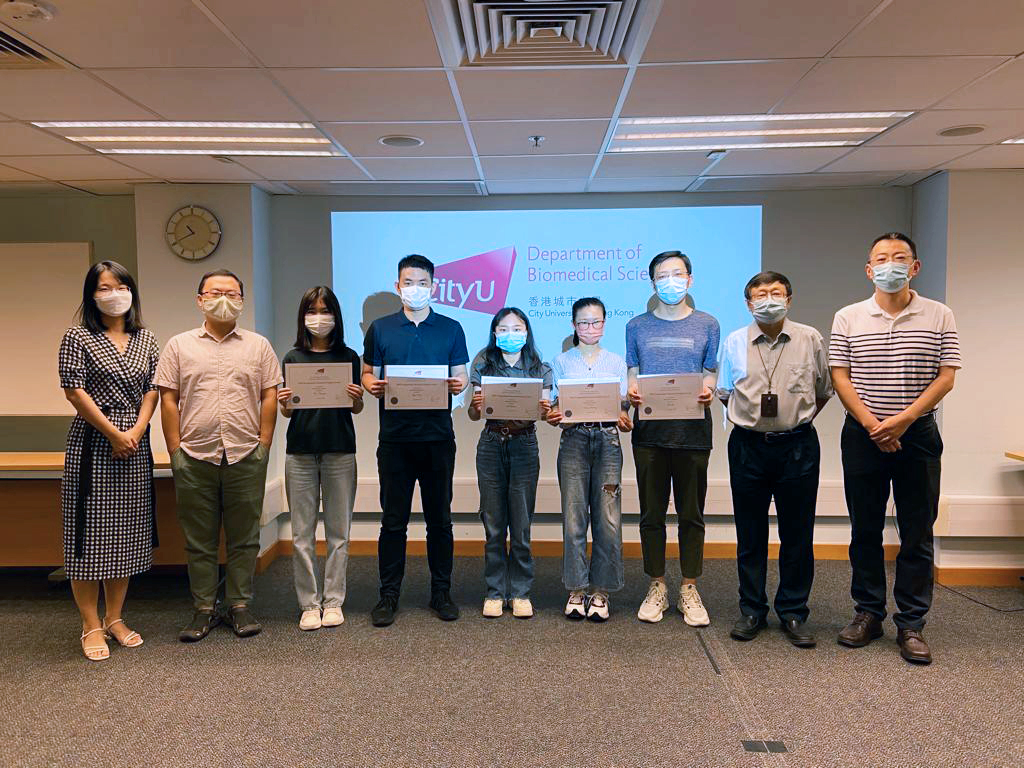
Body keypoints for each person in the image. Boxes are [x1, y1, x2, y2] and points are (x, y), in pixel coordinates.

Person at [830, 233, 959, 665]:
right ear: (868, 270)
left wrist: (902, 420)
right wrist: (872, 424)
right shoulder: (848, 316)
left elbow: (946, 376)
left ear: (915, 267)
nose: (890, 265)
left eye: (899, 258)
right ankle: (868, 613)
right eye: (881, 259)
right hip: (863, 435)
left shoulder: (940, 315)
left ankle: (911, 623)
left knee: (917, 531)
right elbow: (840, 375)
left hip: (918, 434)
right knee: (864, 529)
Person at [155, 269, 282, 642]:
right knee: (199, 538)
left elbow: (269, 396)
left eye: (232, 293)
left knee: (245, 537)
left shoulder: (258, 346)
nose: (224, 298)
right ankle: (203, 609)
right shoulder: (179, 346)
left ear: (242, 301)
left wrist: (264, 446)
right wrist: (175, 450)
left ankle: (239, 605)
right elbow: (168, 399)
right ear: (200, 300)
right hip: (194, 456)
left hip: (245, 454)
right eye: (215, 292)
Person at [717, 271, 832, 648]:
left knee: (797, 534)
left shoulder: (809, 338)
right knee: (750, 534)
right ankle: (752, 609)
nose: (769, 300)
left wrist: (791, 424)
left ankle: (794, 611)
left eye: (776, 293)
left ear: (789, 299)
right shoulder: (734, 341)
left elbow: (823, 391)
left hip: (797, 446)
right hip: (748, 446)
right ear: (749, 303)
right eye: (760, 295)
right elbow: (723, 392)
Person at [59, 261, 160, 661]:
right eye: (104, 287)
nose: (113, 292)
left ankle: (115, 617)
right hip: (93, 442)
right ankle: (90, 624)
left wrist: (135, 432)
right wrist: (114, 434)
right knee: (89, 536)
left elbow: (154, 388)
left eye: (120, 285)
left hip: (136, 442)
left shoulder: (146, 338)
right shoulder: (78, 336)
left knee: (125, 534)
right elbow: (74, 391)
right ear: (91, 294)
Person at [362, 254, 469, 627]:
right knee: (393, 521)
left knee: (440, 521)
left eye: (423, 282)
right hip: (395, 440)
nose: (415, 289)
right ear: (398, 286)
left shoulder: (452, 328)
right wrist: (369, 384)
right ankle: (388, 595)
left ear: (434, 286)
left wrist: (460, 384)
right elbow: (367, 374)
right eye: (409, 282)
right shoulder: (380, 328)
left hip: (438, 438)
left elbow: (461, 376)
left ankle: (442, 591)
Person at [626, 251, 719, 625]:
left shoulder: (708, 324)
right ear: (652, 283)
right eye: (662, 276)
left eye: (676, 274)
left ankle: (689, 588)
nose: (670, 281)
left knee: (691, 514)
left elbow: (709, 373)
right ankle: (657, 585)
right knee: (651, 514)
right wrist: (632, 391)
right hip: (649, 434)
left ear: (690, 279)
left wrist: (709, 390)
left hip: (693, 433)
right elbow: (634, 373)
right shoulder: (636, 326)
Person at [277, 286, 364, 631]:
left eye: (325, 310)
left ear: (336, 316)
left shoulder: (349, 357)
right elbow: (288, 411)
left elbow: (355, 407)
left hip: (340, 449)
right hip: (299, 451)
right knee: (301, 535)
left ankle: (333, 602)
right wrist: (285, 402)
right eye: (311, 311)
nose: (318, 318)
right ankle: (308, 604)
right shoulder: (293, 358)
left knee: (339, 532)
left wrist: (356, 398)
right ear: (303, 317)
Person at [546, 297, 630, 621]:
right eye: (583, 323)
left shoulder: (617, 362)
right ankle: (577, 589)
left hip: (608, 440)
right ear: (573, 325)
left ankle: (601, 591)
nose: (590, 328)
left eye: (596, 322)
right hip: (574, 440)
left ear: (605, 324)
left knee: (608, 519)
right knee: (573, 516)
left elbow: (622, 407)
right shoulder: (561, 361)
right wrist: (554, 414)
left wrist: (624, 416)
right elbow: (556, 405)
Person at [468, 307, 552, 619]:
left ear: (527, 332)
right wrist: (477, 406)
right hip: (491, 443)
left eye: (517, 328)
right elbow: (474, 414)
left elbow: (545, 414)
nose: (510, 334)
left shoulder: (540, 368)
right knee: (493, 523)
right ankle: (494, 591)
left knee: (521, 523)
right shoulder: (484, 363)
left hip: (524, 445)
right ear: (494, 332)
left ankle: (520, 591)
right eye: (503, 329)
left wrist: (545, 408)